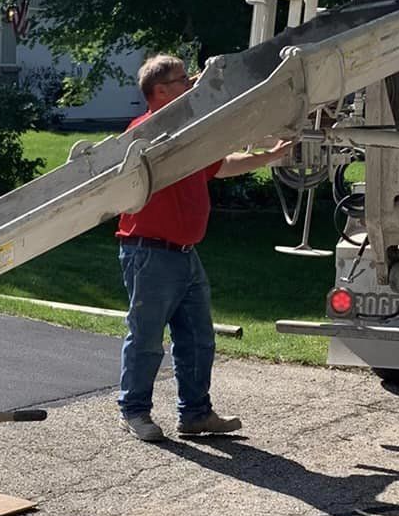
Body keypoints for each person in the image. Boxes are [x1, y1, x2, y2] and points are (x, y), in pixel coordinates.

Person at [117, 52, 290, 443]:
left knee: (197, 338)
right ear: (160, 92)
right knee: (145, 337)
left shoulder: (188, 135)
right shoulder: (144, 134)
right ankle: (134, 411)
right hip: (149, 253)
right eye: (184, 80)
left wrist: (270, 156)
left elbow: (220, 165)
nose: (192, 85)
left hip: (183, 254)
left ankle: (195, 414)